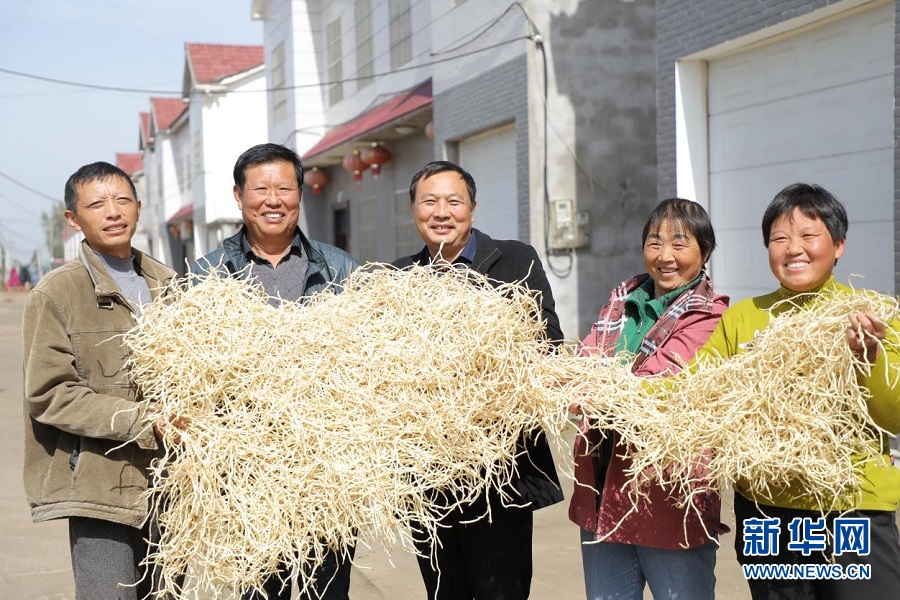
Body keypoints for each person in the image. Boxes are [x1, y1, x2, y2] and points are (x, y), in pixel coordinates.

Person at [691, 182, 900, 599]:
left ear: (838, 245)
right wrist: (625, 396)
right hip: (766, 512)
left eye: (809, 236)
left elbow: (893, 415)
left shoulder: (872, 315)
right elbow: (696, 391)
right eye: (779, 238)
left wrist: (868, 359)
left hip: (850, 506)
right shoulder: (743, 318)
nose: (793, 249)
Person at [190, 143, 360, 600]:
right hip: (243, 480)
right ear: (238, 196)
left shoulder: (342, 270)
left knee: (327, 590)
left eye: (285, 188)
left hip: (326, 477)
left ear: (300, 196)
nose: (273, 200)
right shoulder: (207, 276)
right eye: (260, 189)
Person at [392, 160, 564, 600]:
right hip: (429, 473)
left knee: (502, 591)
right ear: (414, 210)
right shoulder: (396, 279)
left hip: (500, 468)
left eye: (454, 201)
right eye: (429, 201)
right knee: (444, 591)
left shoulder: (514, 259)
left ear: (473, 208)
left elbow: (547, 340)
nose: (441, 212)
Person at [22, 161, 177, 599]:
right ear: (73, 219)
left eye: (122, 200)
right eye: (96, 204)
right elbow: (51, 395)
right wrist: (144, 420)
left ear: (139, 207)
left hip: (170, 487)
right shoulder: (57, 293)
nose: (112, 212)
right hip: (98, 483)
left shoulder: (170, 285)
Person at [568, 198, 729, 600]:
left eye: (680, 243)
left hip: (668, 498)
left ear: (705, 251)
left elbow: (657, 385)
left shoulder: (709, 318)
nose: (665, 256)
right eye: (655, 243)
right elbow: (583, 363)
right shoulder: (621, 302)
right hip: (603, 491)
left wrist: (592, 388)